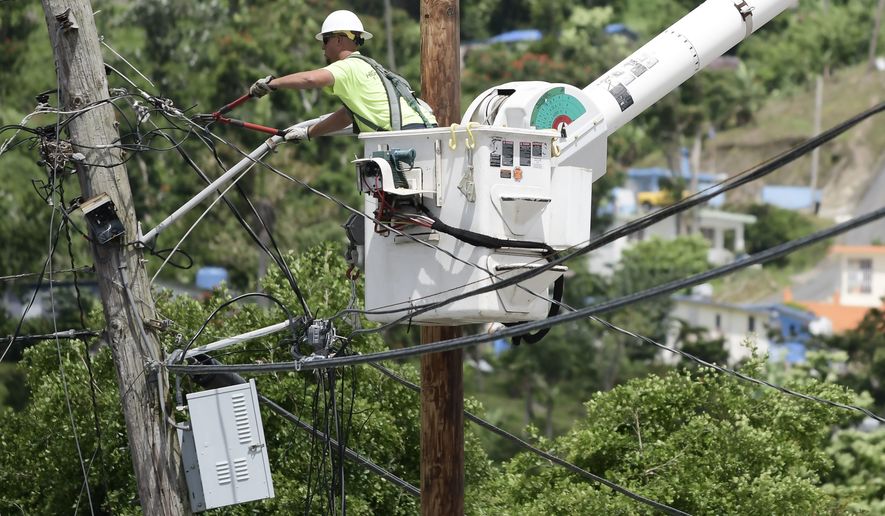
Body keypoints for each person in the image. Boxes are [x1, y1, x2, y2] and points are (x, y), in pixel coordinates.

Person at [249, 10, 436, 142]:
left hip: (406, 136)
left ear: (339, 40)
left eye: (325, 40)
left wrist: (272, 83)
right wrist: (308, 133)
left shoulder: (348, 67)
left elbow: (310, 79)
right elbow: (347, 116)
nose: (323, 47)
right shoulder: (368, 66)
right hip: (424, 132)